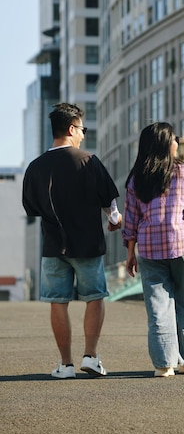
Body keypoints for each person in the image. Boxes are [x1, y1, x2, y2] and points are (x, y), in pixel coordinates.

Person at [22, 103, 122, 379]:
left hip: (53, 246)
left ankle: (65, 365)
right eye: (82, 129)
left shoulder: (35, 167)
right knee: (94, 298)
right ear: (71, 129)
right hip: (88, 244)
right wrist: (115, 218)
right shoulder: (88, 160)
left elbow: (32, 209)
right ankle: (90, 357)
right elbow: (110, 204)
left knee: (58, 301)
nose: (83, 135)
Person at [122, 122, 184, 377]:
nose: (177, 142)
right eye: (174, 138)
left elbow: (131, 219)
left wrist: (130, 253)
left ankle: (164, 364)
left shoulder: (136, 178)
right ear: (165, 143)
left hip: (149, 248)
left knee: (158, 307)